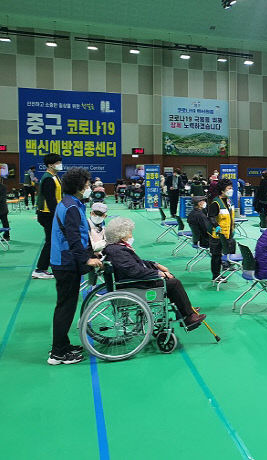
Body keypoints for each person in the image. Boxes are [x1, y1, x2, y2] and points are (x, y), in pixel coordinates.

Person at [104, 217, 207, 329]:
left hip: (132, 281)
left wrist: (156, 265)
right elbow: (135, 271)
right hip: (135, 284)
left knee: (170, 279)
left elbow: (138, 263)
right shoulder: (118, 251)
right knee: (174, 283)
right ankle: (188, 316)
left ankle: (184, 310)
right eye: (129, 233)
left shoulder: (117, 248)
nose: (131, 236)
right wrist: (158, 273)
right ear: (121, 235)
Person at [48, 167, 102, 365]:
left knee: (66, 306)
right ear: (80, 186)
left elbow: (79, 235)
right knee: (65, 308)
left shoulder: (73, 203)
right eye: (87, 184)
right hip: (66, 263)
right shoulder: (71, 207)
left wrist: (90, 252)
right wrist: (86, 259)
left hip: (66, 260)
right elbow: (72, 238)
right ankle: (58, 353)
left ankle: (63, 345)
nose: (89, 186)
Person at [33, 153, 63, 279]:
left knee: (53, 240)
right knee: (50, 241)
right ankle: (40, 269)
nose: (60, 164)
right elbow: (50, 199)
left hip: (51, 213)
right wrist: (57, 216)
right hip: (48, 214)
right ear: (50, 165)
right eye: (58, 162)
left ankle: (50, 264)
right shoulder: (48, 178)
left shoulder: (55, 176)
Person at [207, 179, 235, 282]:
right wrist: (216, 226)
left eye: (231, 188)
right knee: (216, 256)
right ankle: (216, 276)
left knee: (225, 252)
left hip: (227, 233)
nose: (231, 190)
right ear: (222, 190)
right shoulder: (216, 202)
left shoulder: (228, 201)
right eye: (229, 188)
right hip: (217, 234)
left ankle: (226, 266)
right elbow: (211, 217)